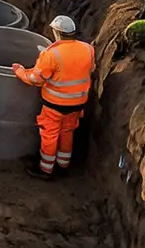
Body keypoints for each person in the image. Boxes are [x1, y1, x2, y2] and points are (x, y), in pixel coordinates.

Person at [13, 15, 97, 178]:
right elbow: (91, 69)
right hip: (78, 103)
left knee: (49, 135)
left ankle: (45, 169)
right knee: (67, 132)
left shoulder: (51, 54)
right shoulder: (88, 49)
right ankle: (63, 165)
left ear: (57, 33)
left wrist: (19, 71)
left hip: (55, 105)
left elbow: (35, 80)